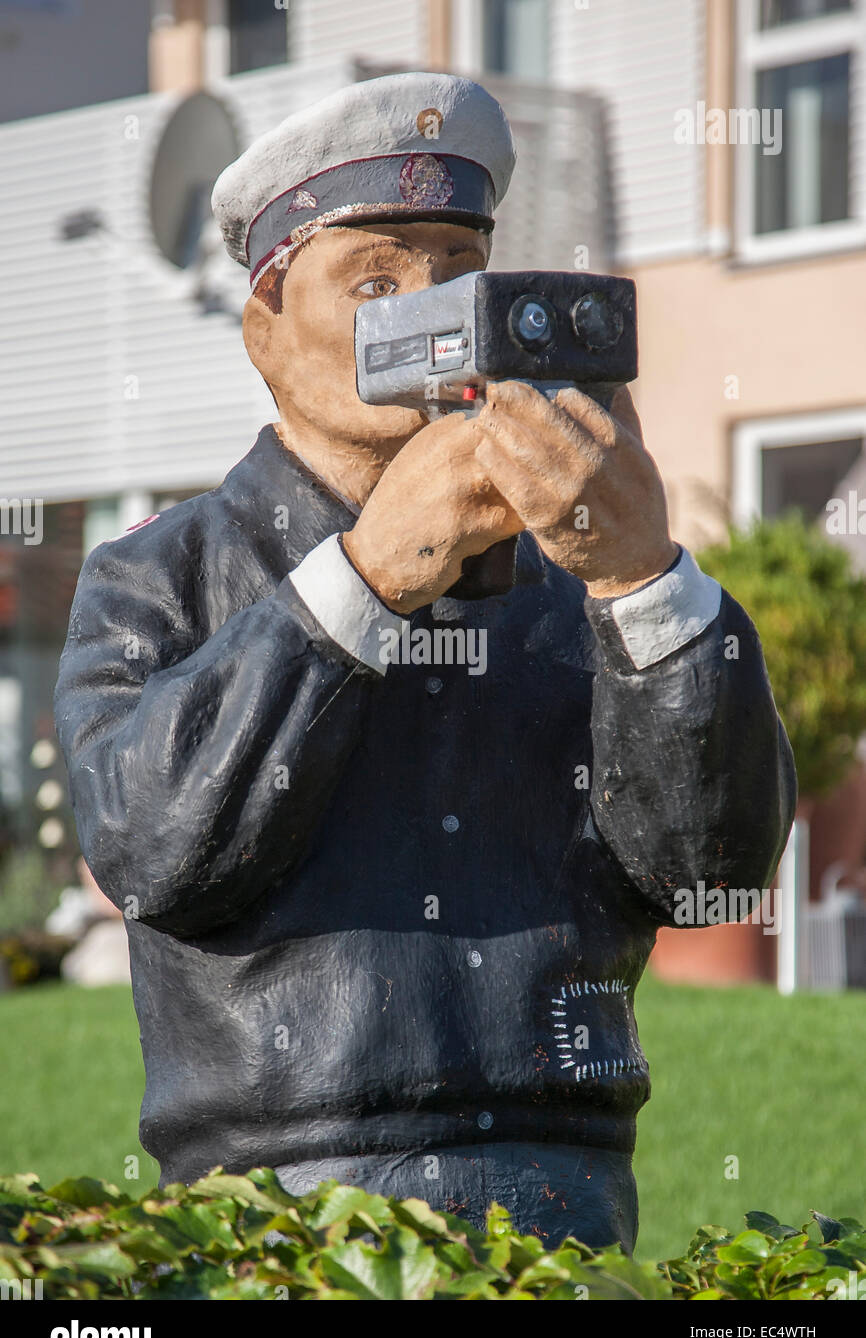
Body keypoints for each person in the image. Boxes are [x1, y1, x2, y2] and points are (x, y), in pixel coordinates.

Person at [54, 72, 796, 1254]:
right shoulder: (159, 574)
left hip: (566, 1205)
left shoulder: (574, 577)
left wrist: (643, 581)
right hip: (273, 1213)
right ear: (264, 328)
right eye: (376, 283)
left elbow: (710, 868)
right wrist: (365, 577)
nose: (428, 316)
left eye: (458, 274)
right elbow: (152, 849)